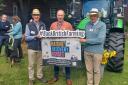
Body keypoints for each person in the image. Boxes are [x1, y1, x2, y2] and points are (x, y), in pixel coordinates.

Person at [80, 8, 106, 85]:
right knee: (89, 70)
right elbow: (84, 35)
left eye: (94, 15)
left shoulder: (102, 25)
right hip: (87, 51)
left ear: (97, 16)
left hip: (97, 52)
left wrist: (86, 40)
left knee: (96, 70)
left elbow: (100, 40)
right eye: (91, 15)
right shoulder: (87, 24)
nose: (93, 17)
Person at [48, 10, 73, 85]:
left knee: (67, 62)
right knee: (56, 61)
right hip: (55, 46)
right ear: (56, 16)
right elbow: (49, 36)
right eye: (59, 15)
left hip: (65, 47)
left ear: (64, 16)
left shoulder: (68, 25)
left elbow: (72, 35)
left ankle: (68, 78)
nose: (60, 17)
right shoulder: (53, 25)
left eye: (61, 15)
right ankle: (56, 77)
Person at [25, 9, 47, 85]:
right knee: (31, 65)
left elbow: (45, 35)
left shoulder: (43, 24)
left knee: (40, 64)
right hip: (31, 48)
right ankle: (31, 79)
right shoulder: (28, 25)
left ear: (39, 16)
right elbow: (26, 38)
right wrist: (35, 36)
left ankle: (39, 76)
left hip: (41, 47)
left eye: (37, 15)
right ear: (32, 16)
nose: (36, 16)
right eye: (35, 15)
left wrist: (44, 37)